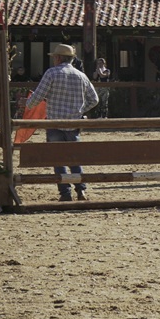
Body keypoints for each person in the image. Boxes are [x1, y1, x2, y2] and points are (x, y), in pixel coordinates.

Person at [25, 44, 100, 202]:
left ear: (58, 58)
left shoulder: (52, 73)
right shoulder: (81, 75)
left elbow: (38, 96)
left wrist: (28, 104)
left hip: (54, 123)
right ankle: (81, 190)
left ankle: (65, 193)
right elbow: (94, 99)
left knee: (57, 159)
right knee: (74, 158)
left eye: (54, 56)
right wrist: (80, 110)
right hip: (74, 123)